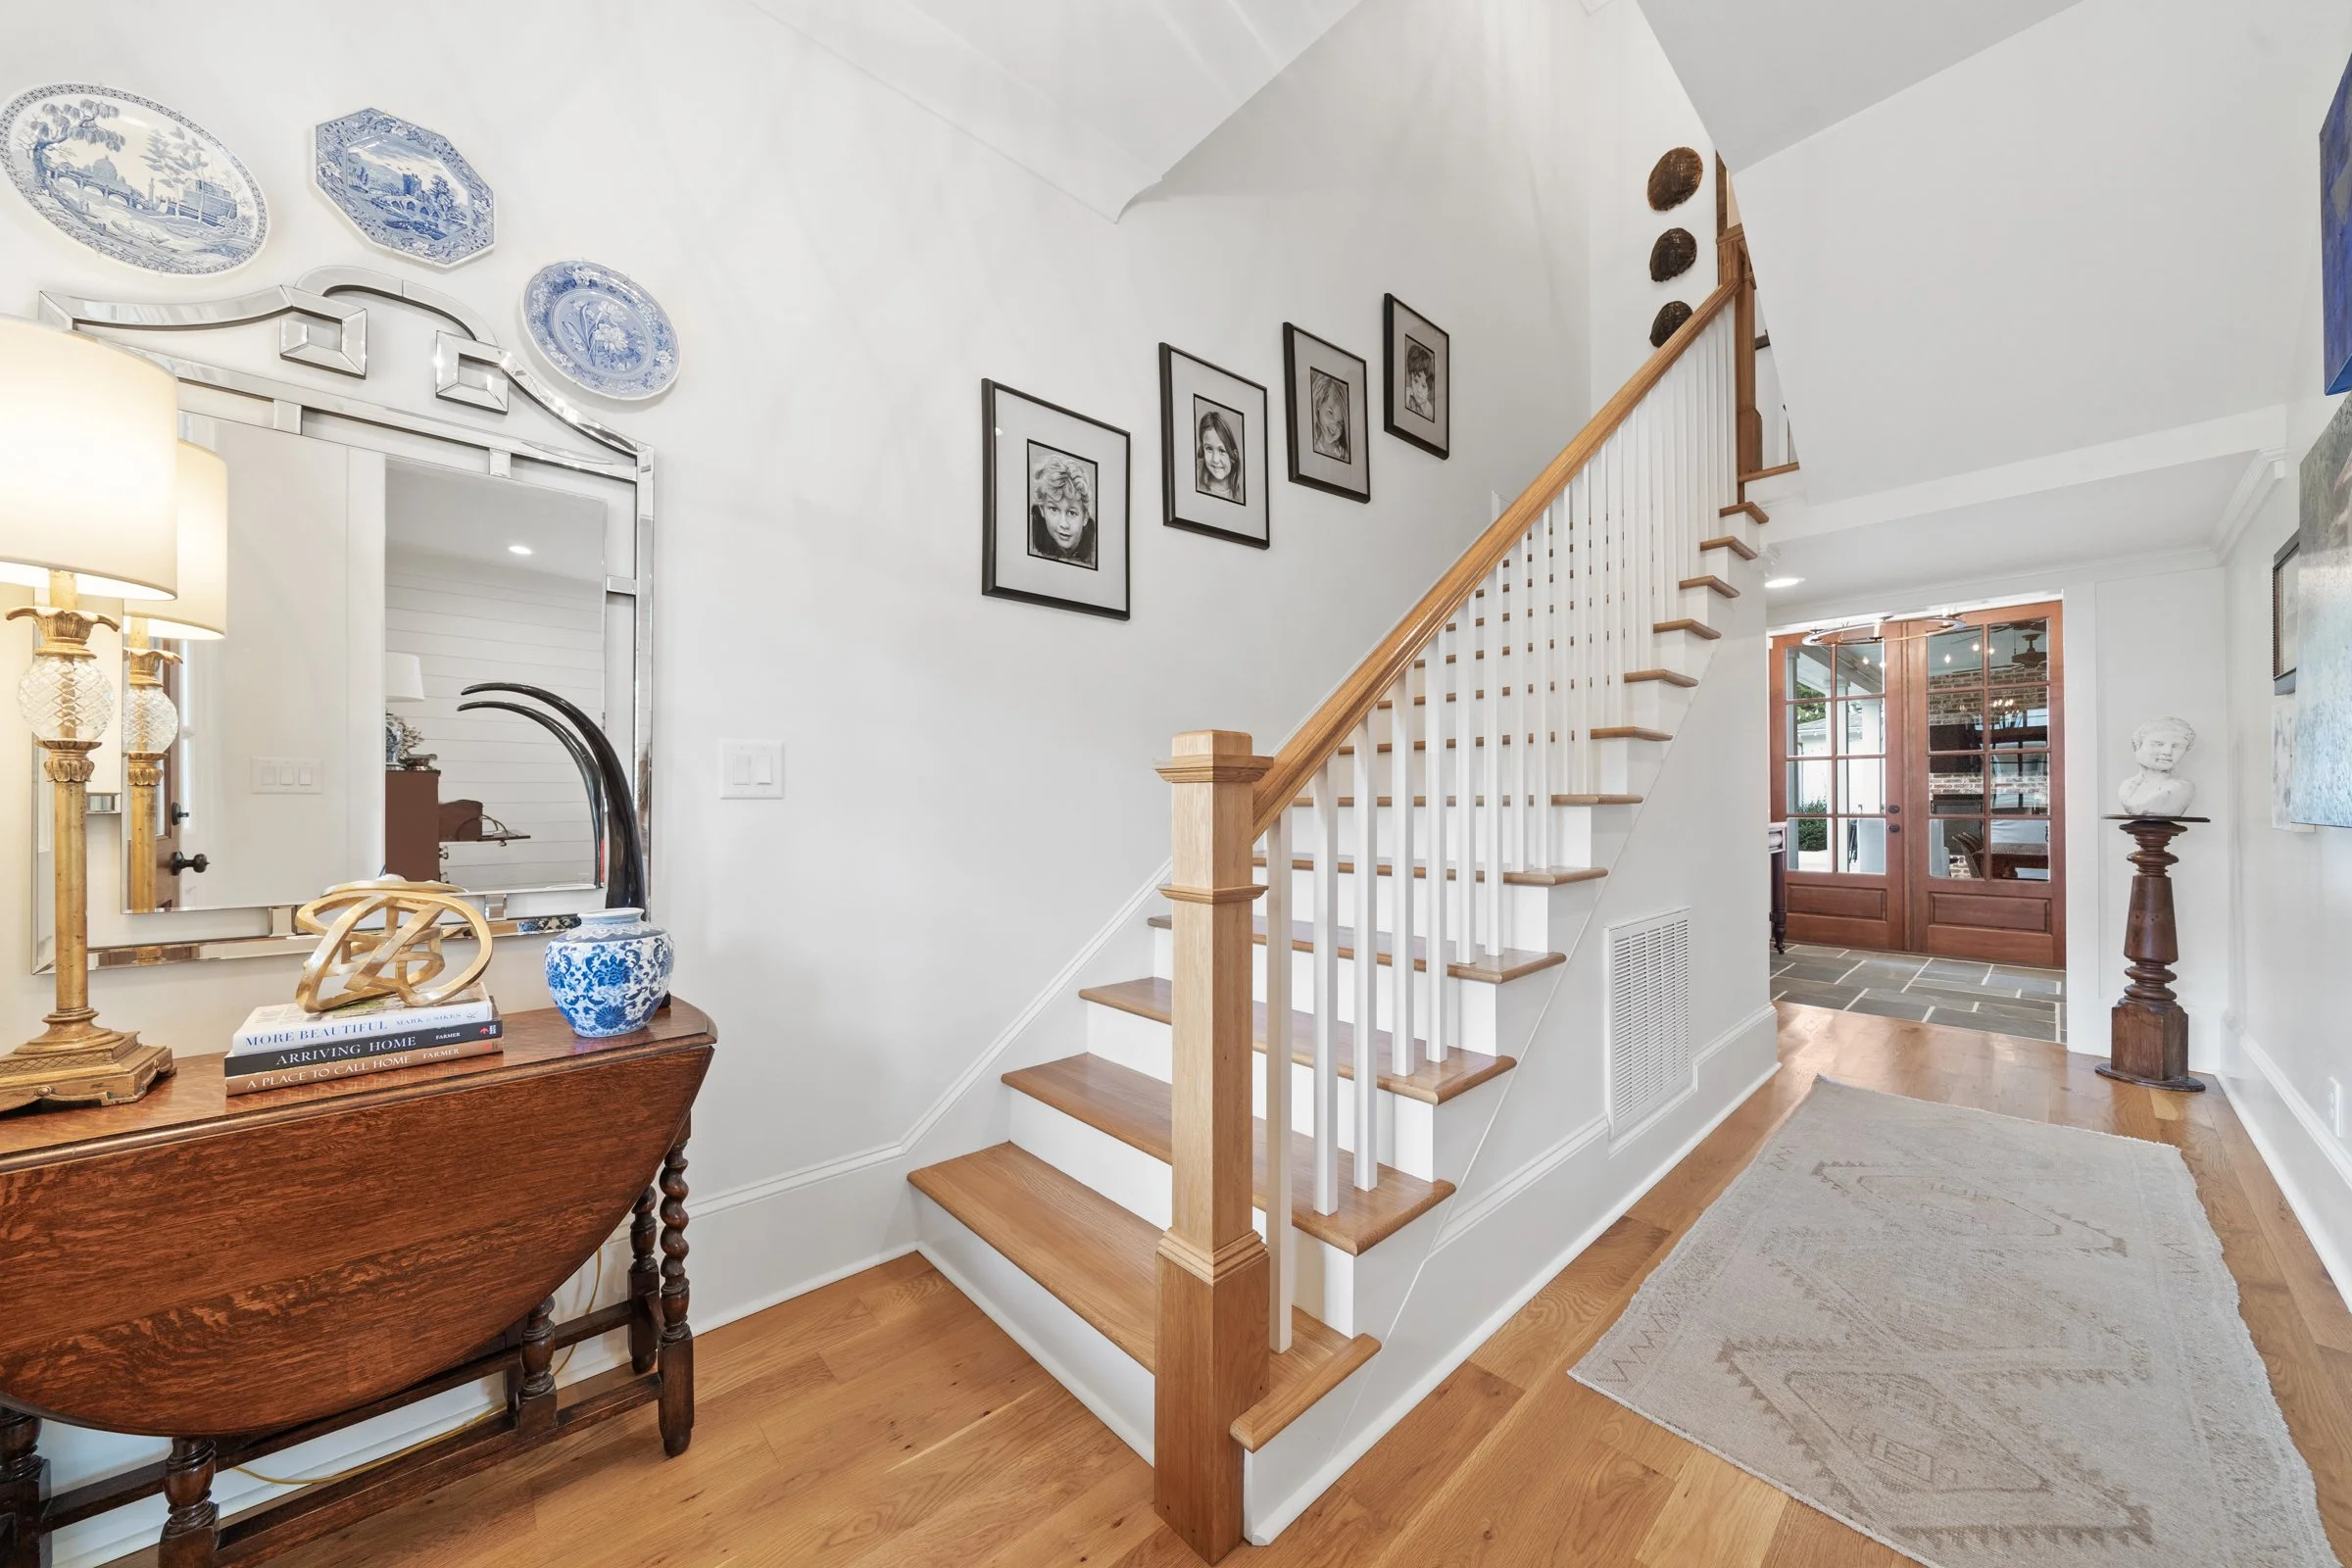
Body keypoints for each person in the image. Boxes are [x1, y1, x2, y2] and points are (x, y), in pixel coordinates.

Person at [1027, 449, 1097, 567]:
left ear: (1085, 516)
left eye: (1071, 513)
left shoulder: (1094, 548)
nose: (1063, 524)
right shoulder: (1031, 537)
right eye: (1054, 509)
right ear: (1042, 509)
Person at [2117, 715, 2196, 816]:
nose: (2167, 752)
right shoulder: (2126, 786)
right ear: (2137, 745)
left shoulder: (2181, 789)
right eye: (2158, 744)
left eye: (2177, 746)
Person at [1195, 408, 1243, 504]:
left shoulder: (1238, 493)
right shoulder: (1197, 485)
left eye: (1222, 450)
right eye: (1209, 449)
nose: (1215, 460)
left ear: (1234, 455)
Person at [1310, 370, 1350, 463]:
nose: (1335, 425)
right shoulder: (1311, 441)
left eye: (1340, 422)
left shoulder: (1343, 453)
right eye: (1330, 413)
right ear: (1319, 404)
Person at [1404, 340, 1437, 421]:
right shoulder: (1406, 397)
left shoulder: (1429, 412)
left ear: (1429, 390)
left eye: (1423, 386)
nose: (1418, 390)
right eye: (1415, 381)